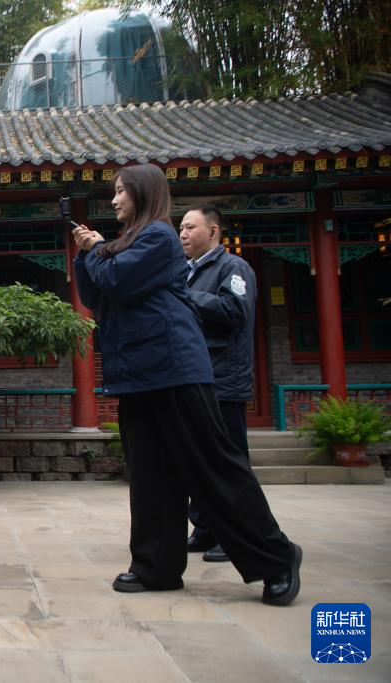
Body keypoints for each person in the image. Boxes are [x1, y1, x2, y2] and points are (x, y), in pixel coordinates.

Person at [71, 164, 302, 606]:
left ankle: (277, 557)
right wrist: (87, 254)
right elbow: (96, 295)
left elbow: (117, 280)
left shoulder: (158, 236)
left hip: (174, 368)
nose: (114, 200)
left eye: (120, 191)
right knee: (151, 475)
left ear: (143, 193)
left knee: (213, 468)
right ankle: (155, 567)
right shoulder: (125, 244)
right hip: (137, 374)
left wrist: (98, 250)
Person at [180, 206, 258, 564]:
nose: (183, 234)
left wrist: (185, 296)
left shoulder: (233, 268)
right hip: (196, 378)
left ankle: (239, 535)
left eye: (190, 227)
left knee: (229, 463)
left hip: (224, 379)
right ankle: (207, 528)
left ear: (213, 231)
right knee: (200, 460)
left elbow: (234, 311)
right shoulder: (188, 271)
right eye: (181, 227)